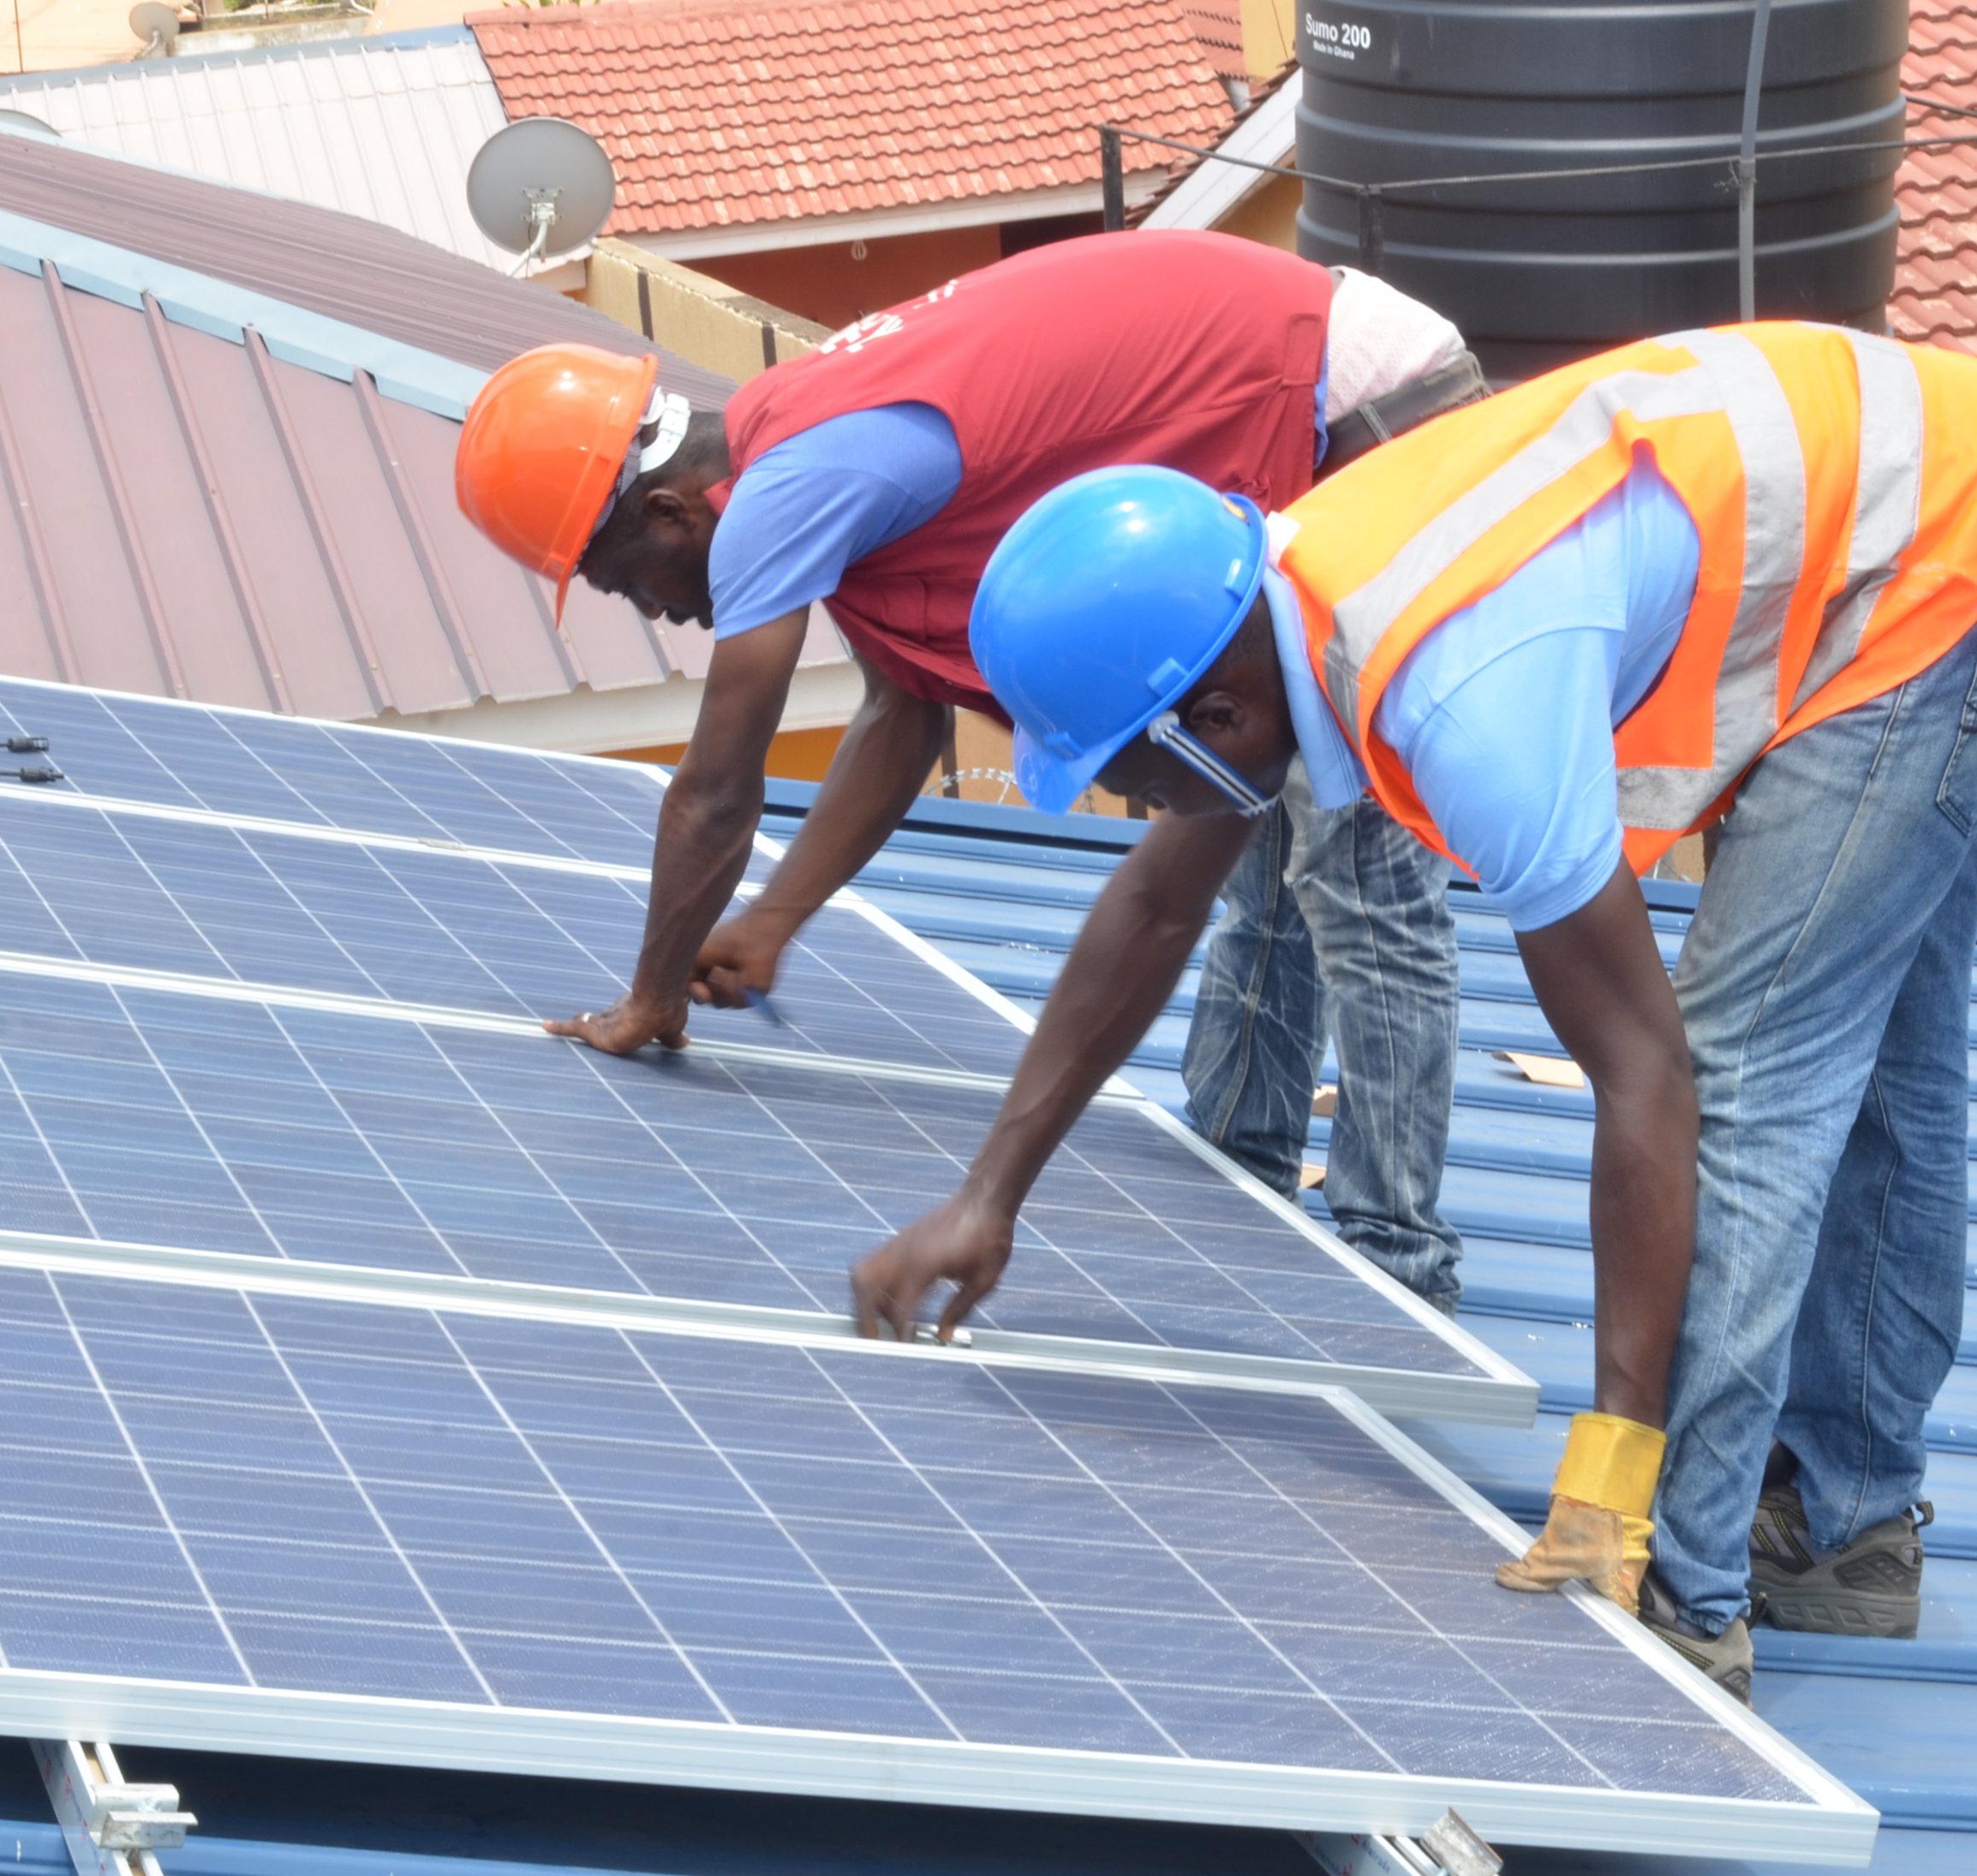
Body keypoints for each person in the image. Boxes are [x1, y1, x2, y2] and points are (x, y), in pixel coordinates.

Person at [847, 321, 1977, 1704]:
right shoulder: (1272, 604)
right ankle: (1849, 1525)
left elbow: (1649, 1077)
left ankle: (1683, 1594)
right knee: (1883, 1043)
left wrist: (1609, 1472)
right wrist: (990, 1195)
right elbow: (1153, 908)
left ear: (1219, 716)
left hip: (1947, 536)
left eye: (1138, 779)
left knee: (1749, 1068)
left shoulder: (1465, 694)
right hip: (1915, 476)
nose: (1143, 810)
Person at [451, 234, 1488, 1304]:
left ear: (668, 511)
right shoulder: (804, 443)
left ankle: (1397, 1267)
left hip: (1357, 406)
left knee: (1355, 864)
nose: (657, 612)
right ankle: (1246, 1173)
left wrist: (650, 995)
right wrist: (772, 920)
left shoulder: (789, 482)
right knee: (1247, 797)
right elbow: (902, 717)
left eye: (628, 583)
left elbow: (717, 787)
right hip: (1290, 400)